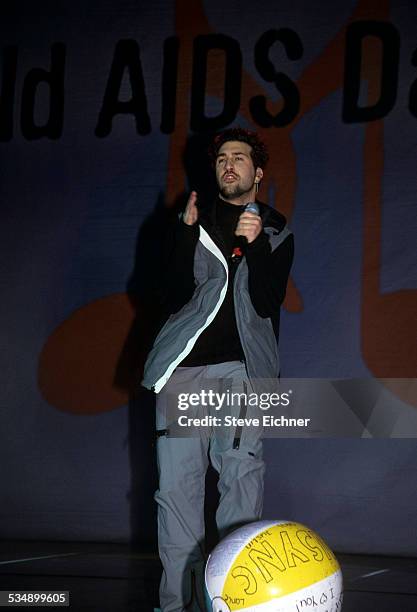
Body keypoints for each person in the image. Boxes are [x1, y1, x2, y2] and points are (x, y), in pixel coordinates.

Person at [142, 128, 294, 611]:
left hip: (241, 373)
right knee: (176, 498)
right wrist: (184, 236)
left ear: (258, 171)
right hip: (184, 374)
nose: (230, 165)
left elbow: (269, 302)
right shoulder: (191, 220)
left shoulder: (275, 228)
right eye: (223, 158)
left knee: (240, 488)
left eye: (241, 158)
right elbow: (165, 296)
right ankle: (176, 606)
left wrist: (257, 247)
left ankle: (236, 602)